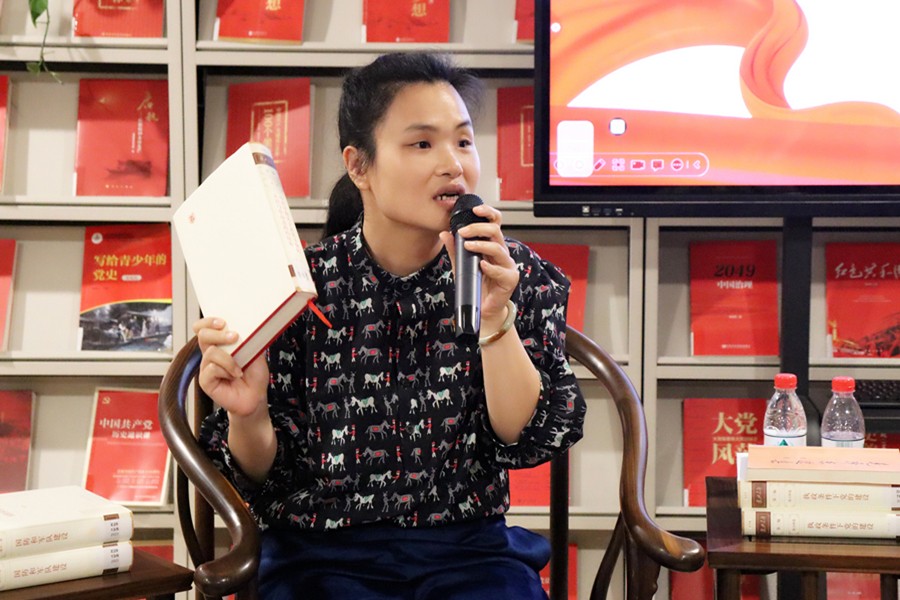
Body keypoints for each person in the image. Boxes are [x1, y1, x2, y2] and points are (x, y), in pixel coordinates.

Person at [194, 51, 586, 600]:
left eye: (464, 141)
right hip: (319, 555)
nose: (453, 164)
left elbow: (527, 440)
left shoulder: (512, 274)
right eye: (423, 143)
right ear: (359, 166)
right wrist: (249, 411)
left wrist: (495, 319)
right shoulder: (296, 288)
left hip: (468, 553)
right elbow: (261, 478)